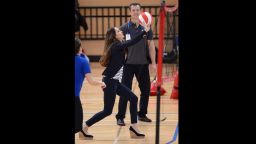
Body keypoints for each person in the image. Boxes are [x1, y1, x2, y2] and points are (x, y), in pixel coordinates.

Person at [82, 23, 151, 139]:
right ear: (114, 36)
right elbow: (131, 42)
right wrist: (144, 32)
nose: (121, 32)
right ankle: (84, 126)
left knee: (133, 98)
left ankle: (134, 127)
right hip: (109, 82)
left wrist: (144, 33)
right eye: (119, 31)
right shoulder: (116, 46)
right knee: (107, 111)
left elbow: (130, 44)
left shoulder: (118, 45)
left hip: (115, 82)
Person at [115, 2, 157, 126]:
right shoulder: (124, 28)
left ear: (140, 11)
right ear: (130, 12)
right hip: (128, 65)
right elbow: (118, 47)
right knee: (125, 91)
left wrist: (153, 63)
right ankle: (120, 117)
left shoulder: (146, 28)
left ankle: (142, 114)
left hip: (143, 64)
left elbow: (151, 46)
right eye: (133, 10)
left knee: (145, 90)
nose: (135, 12)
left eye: (137, 10)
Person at [75, 37, 106, 139]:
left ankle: (82, 133)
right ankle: (82, 132)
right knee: (78, 123)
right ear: (79, 48)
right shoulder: (83, 61)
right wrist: (101, 83)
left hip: (76, 97)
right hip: (75, 97)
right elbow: (91, 81)